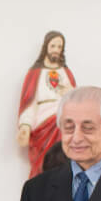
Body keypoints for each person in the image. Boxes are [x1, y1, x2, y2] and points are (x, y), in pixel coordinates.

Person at [16, 30, 77, 179]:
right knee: (43, 161)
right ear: (46, 47)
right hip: (43, 123)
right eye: (53, 46)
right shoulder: (35, 73)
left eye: (59, 47)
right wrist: (25, 125)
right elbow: (29, 102)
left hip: (65, 119)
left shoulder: (66, 72)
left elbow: (77, 100)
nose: (56, 50)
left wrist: (70, 92)